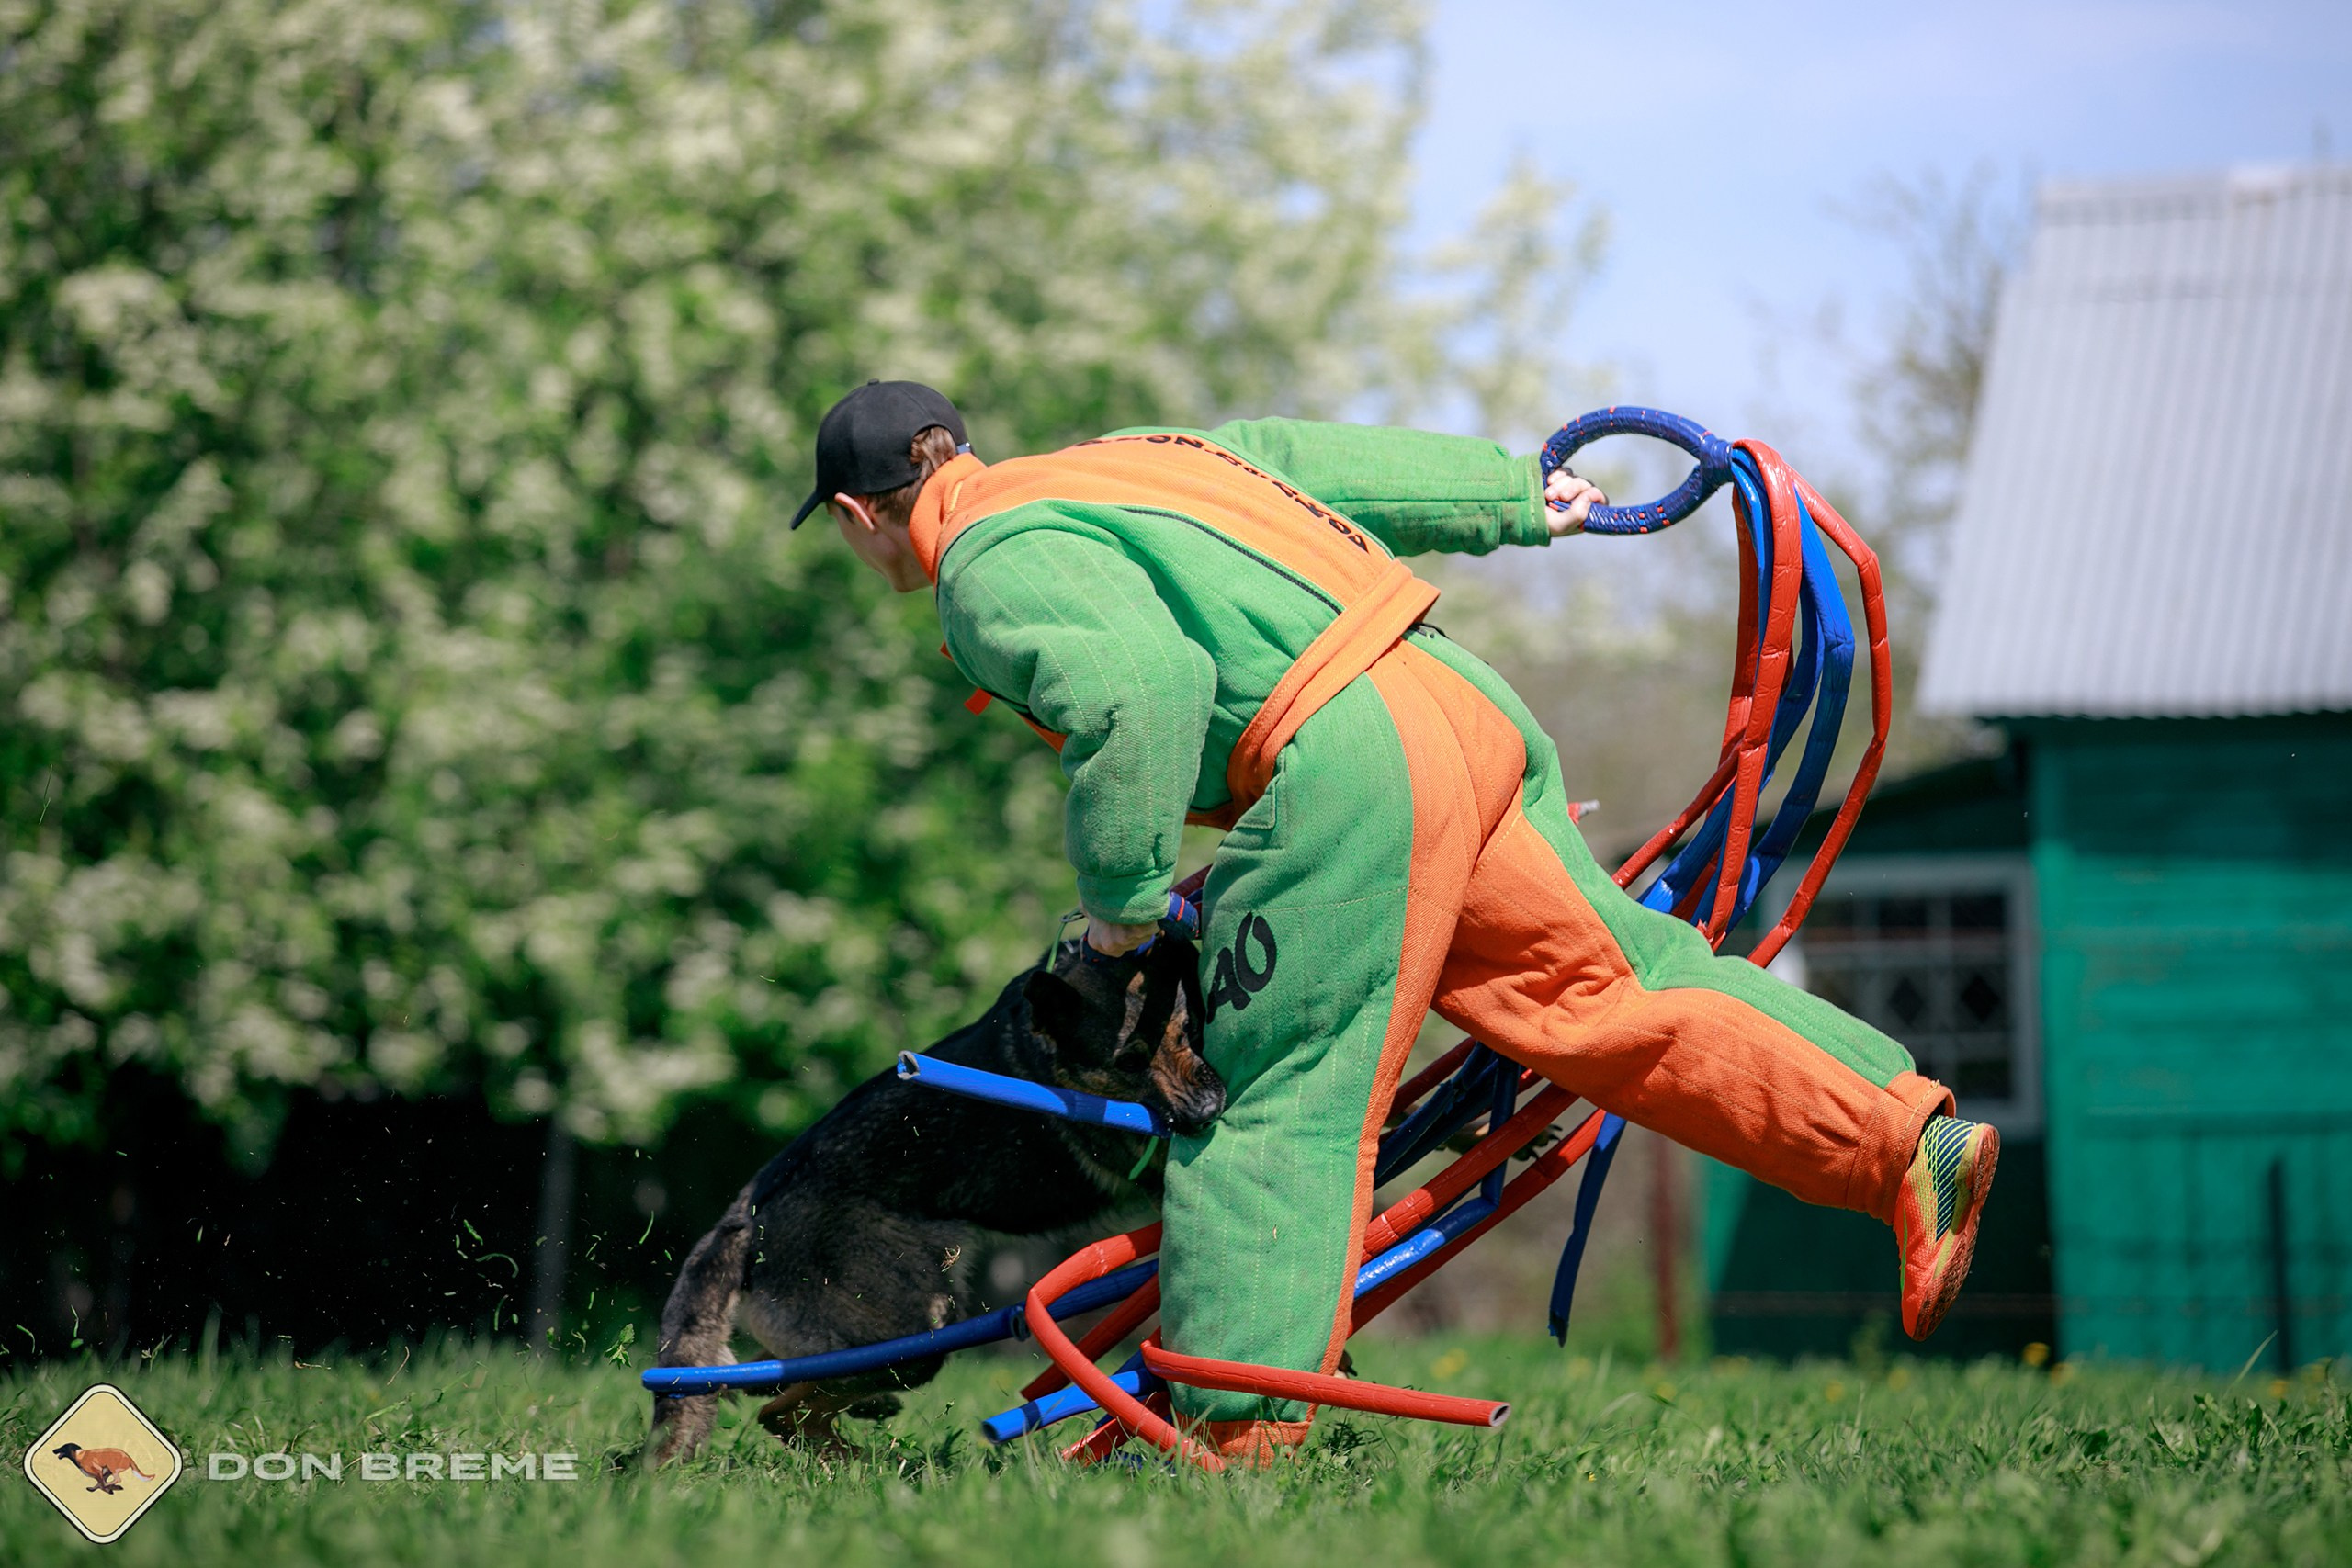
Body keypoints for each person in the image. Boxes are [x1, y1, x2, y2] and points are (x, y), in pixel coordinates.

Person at [793, 379, 1999, 1463]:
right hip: (1455, 706)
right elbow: (1296, 453)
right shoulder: (1128, 460)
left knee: (1274, 1095)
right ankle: (1905, 1144)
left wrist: (1115, 921)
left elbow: (1139, 691)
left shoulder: (987, 566)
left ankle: (1233, 1436)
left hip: (1347, 761)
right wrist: (1512, 496)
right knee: (1618, 991)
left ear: (858, 514)